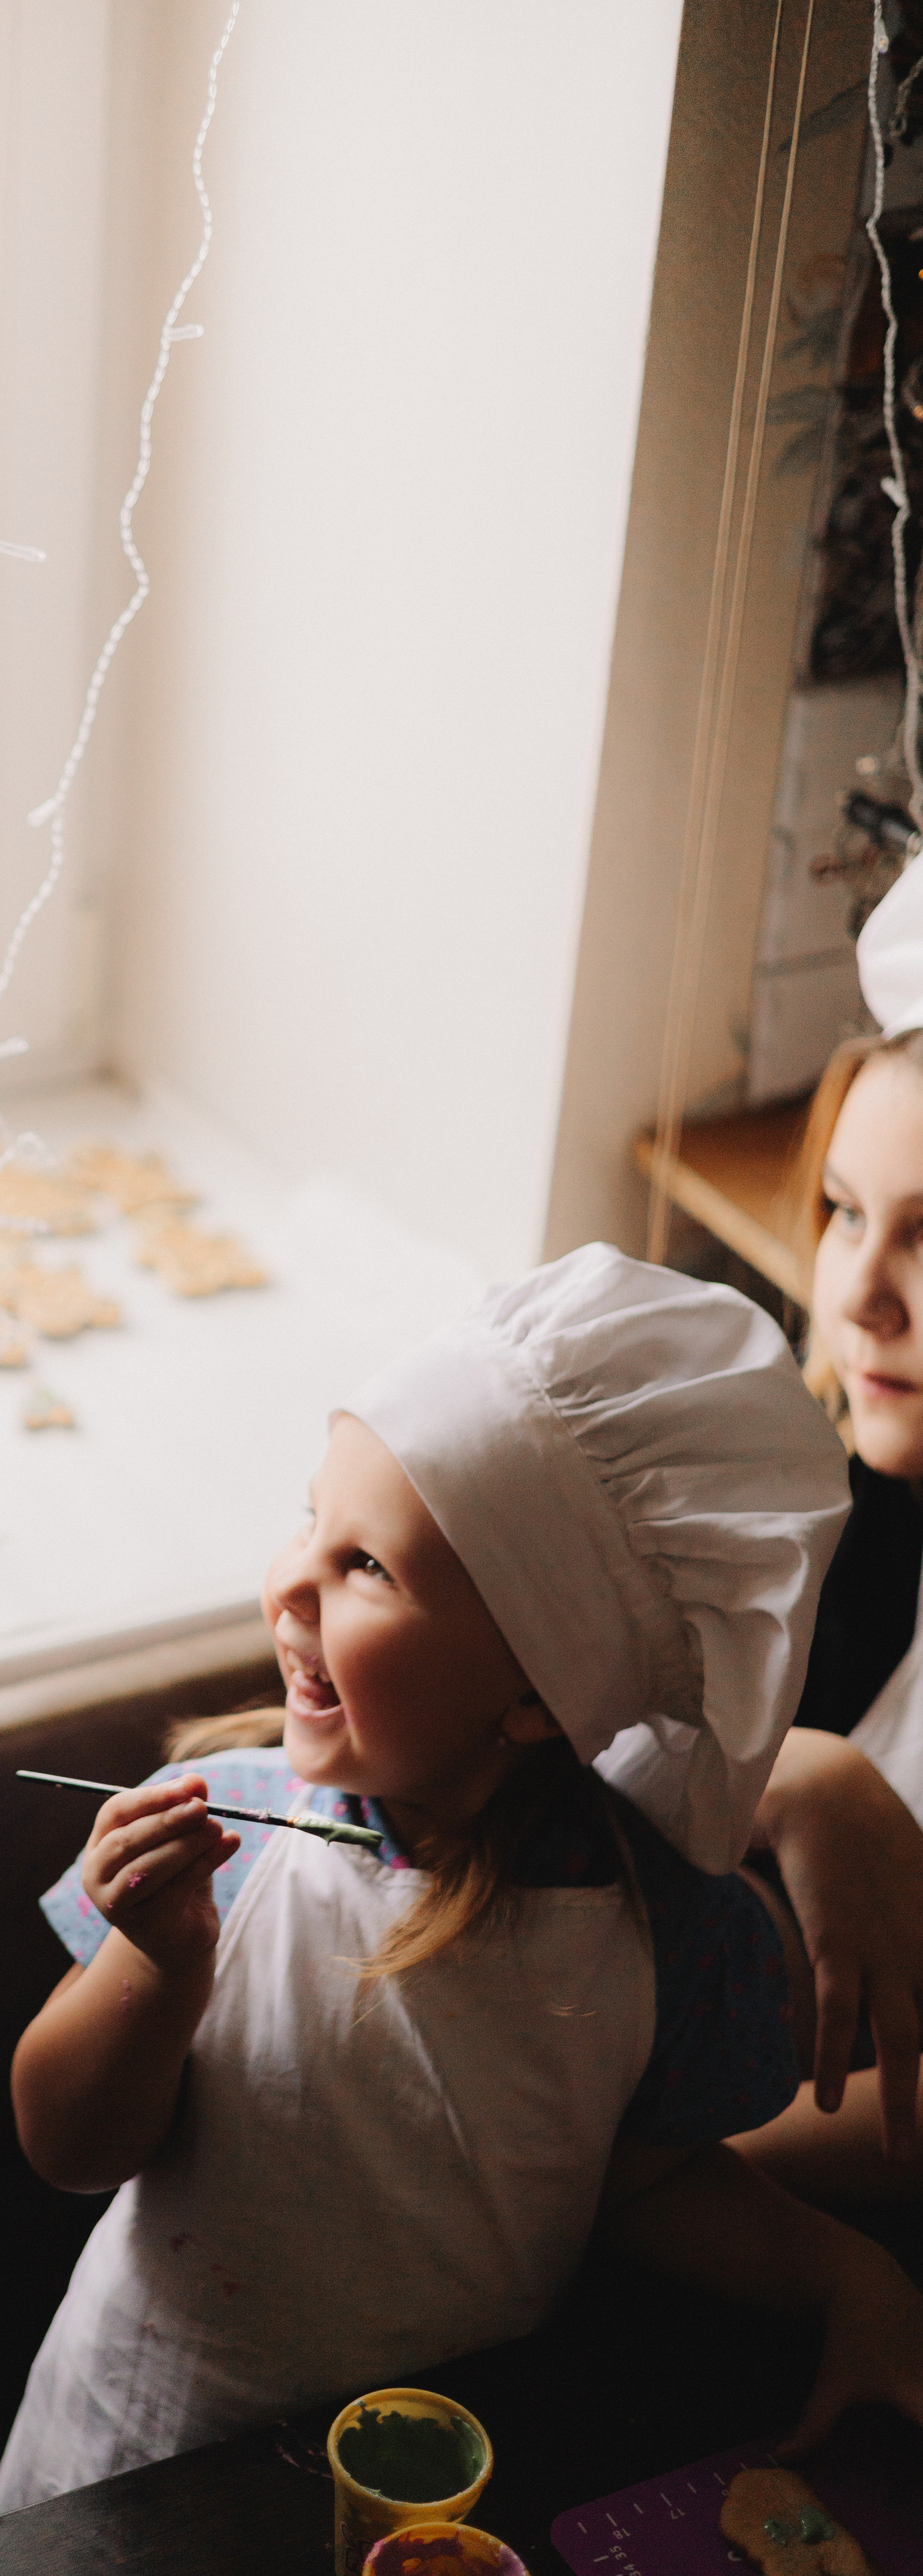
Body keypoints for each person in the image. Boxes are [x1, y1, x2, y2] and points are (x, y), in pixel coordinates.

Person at [0, 1246, 923, 2512]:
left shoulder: (668, 1934)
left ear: (539, 1690)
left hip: (432, 2492)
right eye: (309, 1521)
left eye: (367, 1566)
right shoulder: (230, 1842)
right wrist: (157, 1964)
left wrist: (848, 2277)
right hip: (140, 2469)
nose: (290, 1584)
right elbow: (65, 2145)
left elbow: (646, 2187)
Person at [730, 854, 923, 2204]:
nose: (855, 1295)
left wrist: (620, 2190)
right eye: (846, 1214)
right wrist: (798, 1775)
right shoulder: (843, 1494)